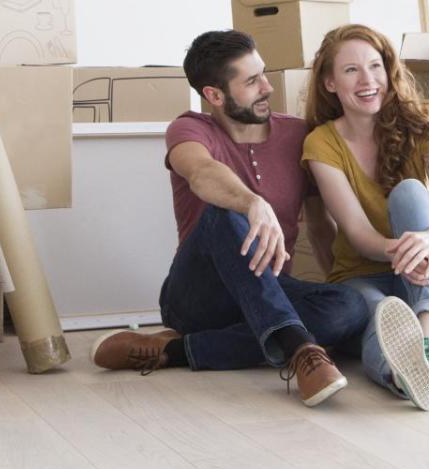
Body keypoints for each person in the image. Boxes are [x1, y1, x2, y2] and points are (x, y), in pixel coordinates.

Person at [91, 30, 370, 407]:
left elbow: (320, 226)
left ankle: (175, 352)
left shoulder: (297, 134)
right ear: (215, 95)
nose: (267, 87)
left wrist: (333, 285)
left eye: (263, 74)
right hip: (199, 296)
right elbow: (201, 173)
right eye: (252, 81)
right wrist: (251, 202)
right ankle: (301, 348)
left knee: (349, 306)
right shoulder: (189, 129)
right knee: (223, 212)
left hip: (268, 291)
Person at [302, 24, 429, 411]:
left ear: (389, 70)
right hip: (365, 277)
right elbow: (358, 234)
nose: (368, 80)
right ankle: (402, 374)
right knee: (379, 317)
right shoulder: (322, 143)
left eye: (375, 66)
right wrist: (404, 251)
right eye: (351, 70)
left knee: (410, 192)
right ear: (330, 83)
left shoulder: (424, 124)